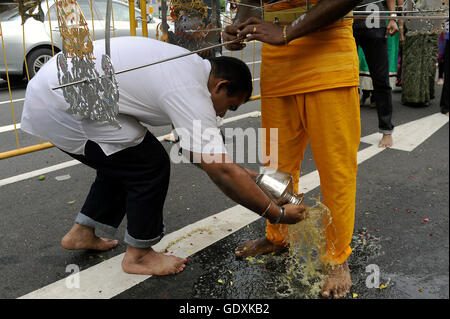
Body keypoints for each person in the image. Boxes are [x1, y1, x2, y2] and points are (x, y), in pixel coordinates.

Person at [20, 36, 307, 276]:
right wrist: (277, 214)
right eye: (228, 107)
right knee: (148, 164)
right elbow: (219, 170)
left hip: (60, 89)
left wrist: (256, 180)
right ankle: (139, 256)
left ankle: (83, 232)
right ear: (220, 87)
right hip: (61, 101)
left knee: (122, 160)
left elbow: (199, 155)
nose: (221, 114)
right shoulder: (190, 91)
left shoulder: (191, 69)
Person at [224, 0, 363, 298]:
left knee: (336, 170)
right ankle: (278, 236)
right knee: (277, 164)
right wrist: (240, 28)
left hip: (329, 59)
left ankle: (337, 257)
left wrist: (287, 32)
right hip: (277, 67)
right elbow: (252, 5)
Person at [353, 0, 399, 148]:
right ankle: (343, 129)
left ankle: (386, 130)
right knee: (344, 80)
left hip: (374, 22)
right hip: (347, 22)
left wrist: (392, 17)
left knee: (381, 79)